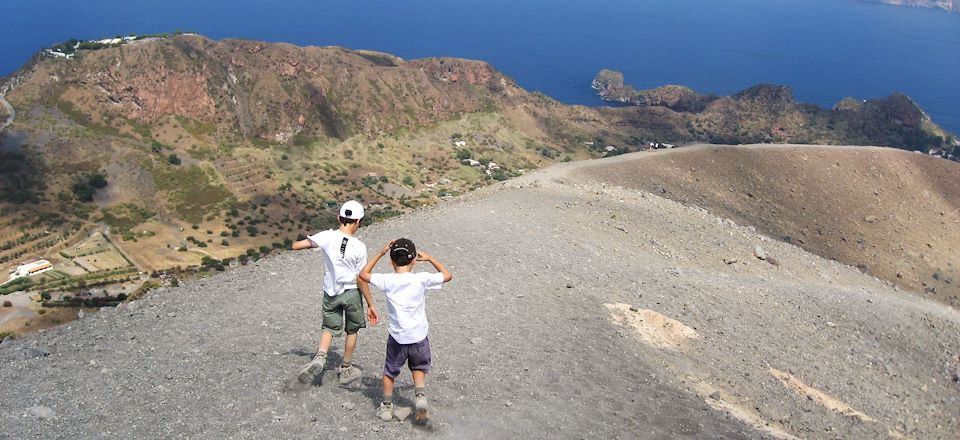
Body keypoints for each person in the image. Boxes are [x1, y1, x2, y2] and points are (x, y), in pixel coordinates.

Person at [358, 238, 453, 424]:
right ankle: (420, 398)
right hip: (419, 336)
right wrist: (431, 258)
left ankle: (386, 408)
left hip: (398, 337)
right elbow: (447, 275)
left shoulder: (386, 280)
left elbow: (363, 274)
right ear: (414, 260)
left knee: (389, 372)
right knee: (418, 367)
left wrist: (380, 252)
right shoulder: (421, 278)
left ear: (391, 261)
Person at [291, 200, 379, 386]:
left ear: (339, 218)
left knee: (328, 327)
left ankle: (320, 357)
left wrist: (313, 242)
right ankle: (345, 368)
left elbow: (296, 246)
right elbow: (361, 278)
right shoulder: (359, 247)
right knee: (352, 330)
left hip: (331, 292)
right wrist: (370, 303)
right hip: (352, 293)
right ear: (358, 222)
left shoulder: (326, 237)